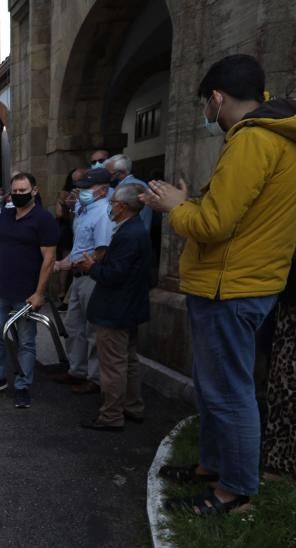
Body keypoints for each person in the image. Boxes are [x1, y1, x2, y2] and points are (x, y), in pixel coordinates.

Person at [144, 54, 296, 515]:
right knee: (217, 389)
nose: (206, 116)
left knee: (230, 393)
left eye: (205, 106)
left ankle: (235, 492)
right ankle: (213, 467)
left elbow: (214, 223)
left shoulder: (252, 142)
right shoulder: (273, 138)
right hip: (240, 283)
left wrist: (175, 205)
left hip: (232, 288)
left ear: (216, 98)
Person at [0, 173, 59, 408]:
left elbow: (49, 258)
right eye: (15, 191)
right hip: (0, 290)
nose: (19, 195)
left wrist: (40, 293)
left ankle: (23, 385)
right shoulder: (6, 215)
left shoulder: (43, 219)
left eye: (24, 191)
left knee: (26, 341)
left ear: (34, 190)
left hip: (26, 294)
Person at [74, 184, 151, 431]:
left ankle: (111, 414)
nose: (110, 205)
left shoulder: (129, 234)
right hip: (128, 307)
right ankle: (132, 405)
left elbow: (115, 274)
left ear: (123, 206)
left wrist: (91, 268)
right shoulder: (135, 229)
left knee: (113, 365)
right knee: (128, 361)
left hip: (116, 309)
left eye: (113, 201)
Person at [51, 168, 112, 394]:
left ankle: (94, 379)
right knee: (74, 326)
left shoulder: (103, 212)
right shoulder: (84, 210)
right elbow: (80, 247)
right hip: (77, 277)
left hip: (91, 278)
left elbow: (101, 251)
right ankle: (77, 370)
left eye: (87, 188)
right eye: (81, 187)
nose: (82, 191)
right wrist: (63, 263)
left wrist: (71, 264)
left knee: (91, 330)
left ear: (103, 189)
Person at [263, 257, 295, 475]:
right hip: (287, 302)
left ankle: (283, 465)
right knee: (281, 386)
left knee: (287, 388)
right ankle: (278, 463)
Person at [104, 154, 153, 233]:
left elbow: (142, 214)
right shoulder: (121, 184)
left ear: (122, 172)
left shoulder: (135, 186)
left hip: (133, 233)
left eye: (110, 173)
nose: (107, 175)